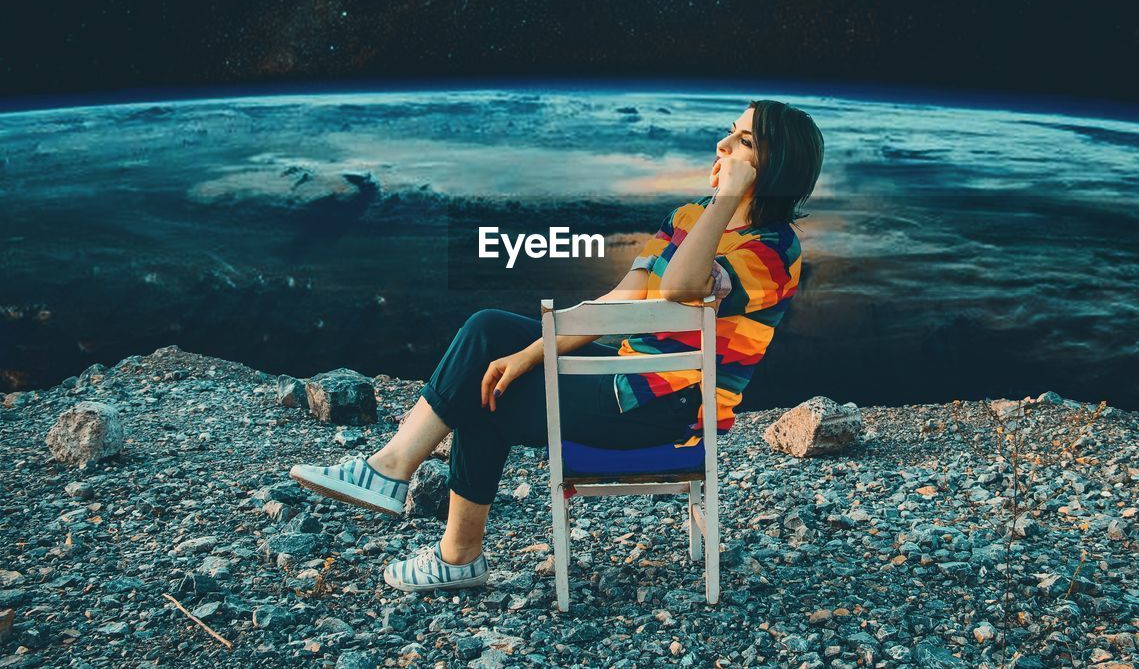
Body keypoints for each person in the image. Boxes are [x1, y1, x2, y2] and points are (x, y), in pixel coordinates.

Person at [289, 99, 824, 592]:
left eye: (745, 142)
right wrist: (531, 352)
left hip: (668, 407)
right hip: (621, 375)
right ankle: (395, 473)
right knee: (489, 336)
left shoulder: (775, 249)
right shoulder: (686, 218)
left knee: (477, 395)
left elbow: (685, 286)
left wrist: (727, 198)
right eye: (729, 134)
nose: (723, 147)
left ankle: (451, 550)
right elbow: (622, 298)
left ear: (775, 165)